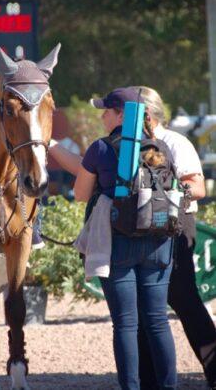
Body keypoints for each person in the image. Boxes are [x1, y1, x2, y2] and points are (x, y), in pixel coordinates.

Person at [50, 87, 177, 390]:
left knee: (126, 324)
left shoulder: (101, 148)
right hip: (160, 240)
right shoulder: (161, 147)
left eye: (106, 110)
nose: (102, 116)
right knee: (158, 321)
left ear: (121, 115)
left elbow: (80, 194)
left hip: (119, 243)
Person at [130, 86, 216, 390]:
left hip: (177, 226)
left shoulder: (175, 142)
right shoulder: (131, 145)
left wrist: (162, 193)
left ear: (148, 116)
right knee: (143, 305)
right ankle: (148, 379)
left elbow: (199, 188)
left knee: (184, 300)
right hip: (145, 230)